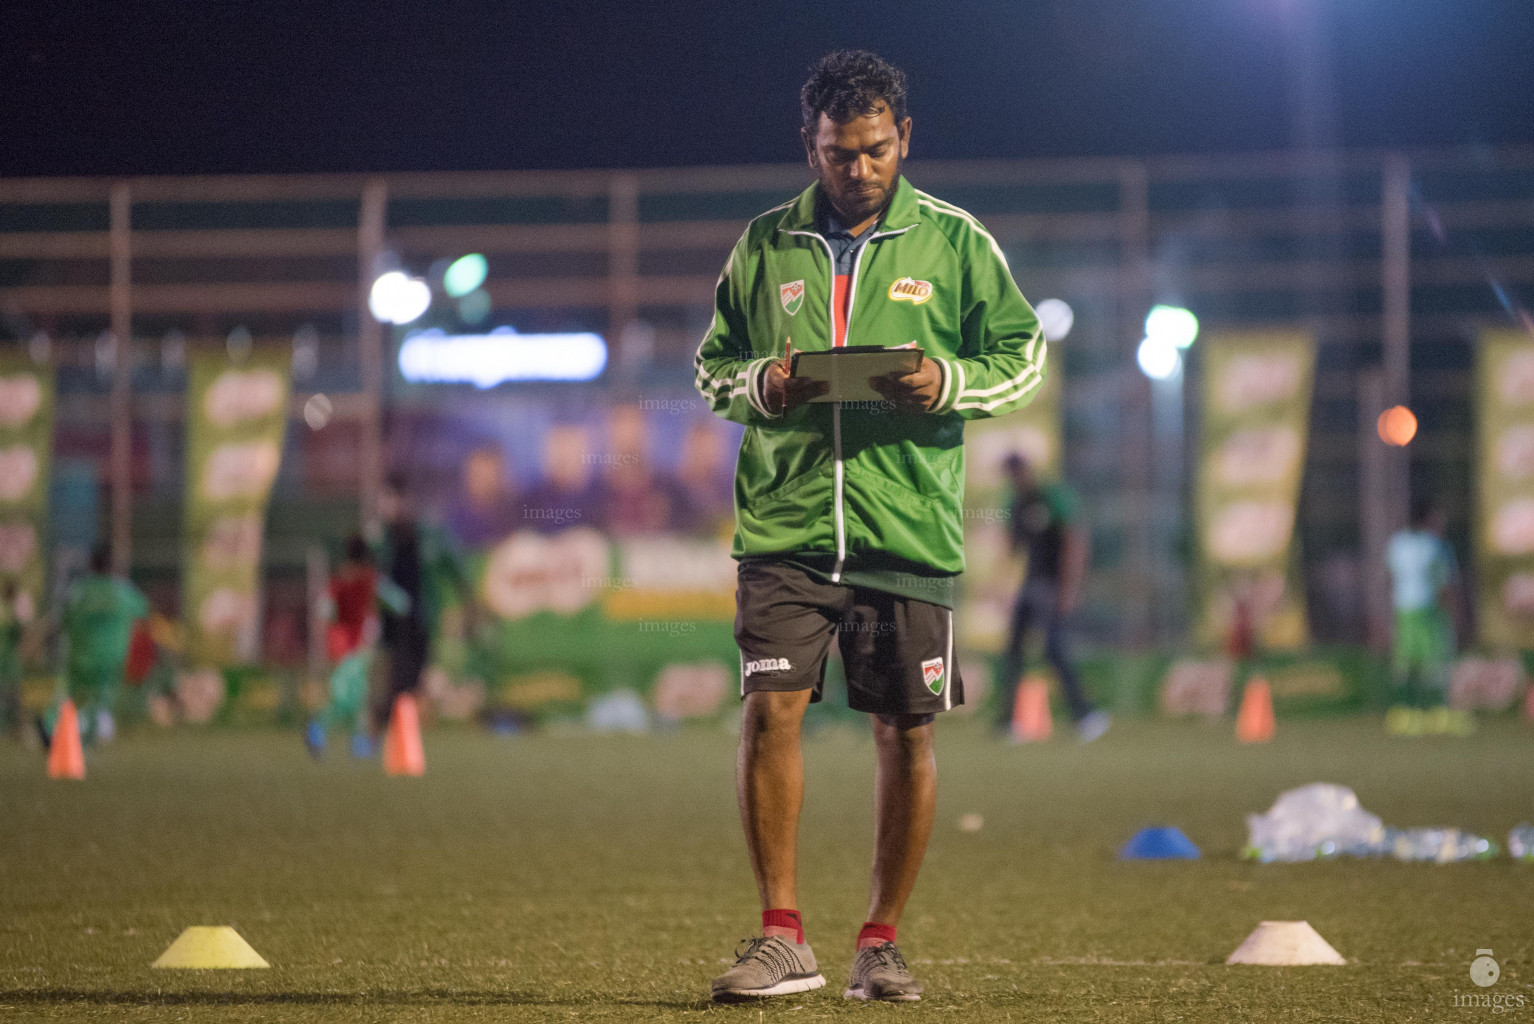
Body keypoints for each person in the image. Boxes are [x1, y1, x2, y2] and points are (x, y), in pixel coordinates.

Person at [695, 51, 1047, 1003]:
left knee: (906, 731)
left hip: (907, 528)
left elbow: (1023, 353)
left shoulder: (956, 241)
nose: (860, 169)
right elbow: (712, 366)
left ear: (904, 139)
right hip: (786, 525)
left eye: (877, 150)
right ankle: (780, 938)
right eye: (840, 153)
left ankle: (880, 943)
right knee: (771, 708)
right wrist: (763, 382)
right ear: (809, 148)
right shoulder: (764, 245)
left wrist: (949, 381)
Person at [995, 453, 1108, 742]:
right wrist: (1003, 588)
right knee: (1013, 652)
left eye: (1017, 473)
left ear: (1026, 470)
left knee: (1055, 650)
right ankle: (1009, 722)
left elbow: (1076, 541)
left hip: (1053, 585)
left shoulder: (1052, 497)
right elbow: (1011, 549)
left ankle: (1086, 714)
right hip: (1029, 584)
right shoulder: (1015, 504)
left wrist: (1069, 588)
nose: (1014, 480)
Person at [306, 534, 408, 758]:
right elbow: (400, 603)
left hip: (338, 643)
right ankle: (320, 727)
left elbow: (322, 611)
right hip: (359, 644)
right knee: (351, 698)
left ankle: (356, 742)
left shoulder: (337, 581)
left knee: (356, 695)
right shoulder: (370, 579)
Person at [43, 545, 147, 747]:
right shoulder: (121, 589)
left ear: (90, 564)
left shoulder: (79, 590)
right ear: (111, 566)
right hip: (112, 656)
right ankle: (96, 730)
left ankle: (57, 726)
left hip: (80, 655)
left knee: (71, 695)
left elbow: (63, 618)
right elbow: (142, 610)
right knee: (102, 697)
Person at [1384, 499, 1466, 736]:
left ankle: (1404, 714)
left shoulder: (1397, 543)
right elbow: (1442, 582)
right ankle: (1438, 713)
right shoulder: (1435, 545)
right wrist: (1455, 612)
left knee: (1406, 662)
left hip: (1402, 609)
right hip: (1428, 610)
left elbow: (1390, 577)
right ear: (1428, 519)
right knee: (1436, 662)